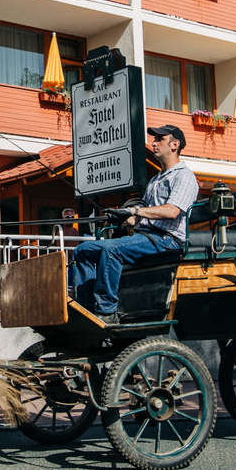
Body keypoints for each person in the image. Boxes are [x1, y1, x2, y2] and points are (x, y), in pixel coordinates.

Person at [67, 124, 200, 322]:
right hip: (145, 236)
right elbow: (138, 217)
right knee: (84, 250)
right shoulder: (155, 179)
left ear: (175, 145)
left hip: (167, 239)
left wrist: (136, 210)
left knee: (111, 250)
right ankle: (85, 306)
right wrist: (122, 216)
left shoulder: (184, 176)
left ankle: (106, 311)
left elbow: (172, 211)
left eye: (159, 140)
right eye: (154, 139)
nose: (153, 143)